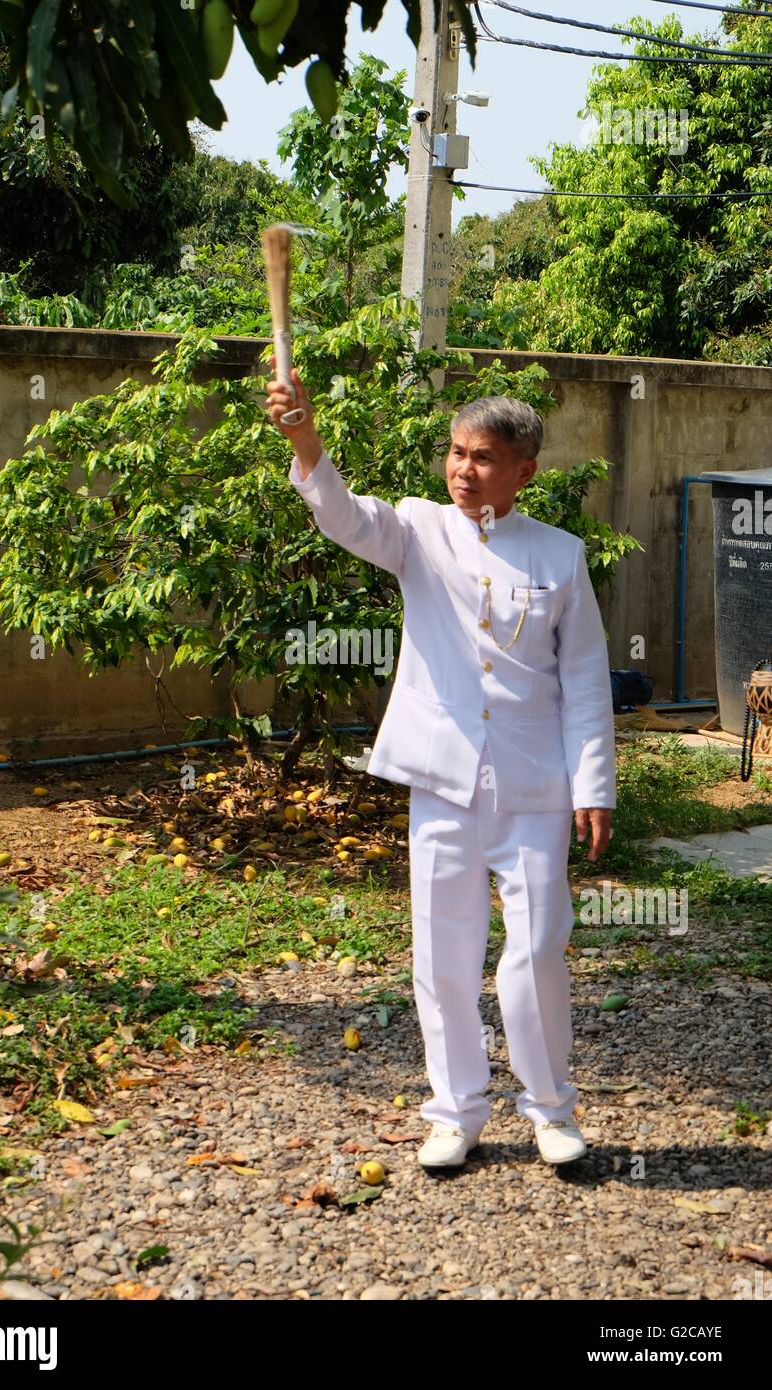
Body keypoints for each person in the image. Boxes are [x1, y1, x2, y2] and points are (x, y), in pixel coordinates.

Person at [265, 364, 616, 1170]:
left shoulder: (561, 557)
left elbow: (586, 679)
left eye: (485, 456)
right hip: (444, 781)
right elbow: (343, 516)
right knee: (443, 953)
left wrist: (594, 784)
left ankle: (551, 1109)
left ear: (525, 470)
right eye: (456, 452)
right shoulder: (419, 528)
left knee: (535, 953)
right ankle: (455, 1111)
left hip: (534, 787)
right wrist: (302, 431)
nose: (464, 469)